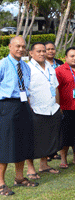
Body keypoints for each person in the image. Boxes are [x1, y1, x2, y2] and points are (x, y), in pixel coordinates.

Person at [0, 36, 38, 196]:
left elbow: (26, 88)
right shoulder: (2, 64)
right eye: (17, 46)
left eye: (23, 46)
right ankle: (1, 183)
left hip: (23, 106)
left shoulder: (26, 66)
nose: (21, 49)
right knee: (6, 144)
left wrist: (28, 107)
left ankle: (19, 177)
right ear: (10, 46)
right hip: (7, 106)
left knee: (23, 142)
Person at [25, 42, 63, 180]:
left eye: (43, 51)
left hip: (52, 109)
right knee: (32, 141)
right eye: (39, 51)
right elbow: (25, 91)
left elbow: (56, 87)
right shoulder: (27, 68)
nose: (42, 53)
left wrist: (58, 106)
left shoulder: (50, 67)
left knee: (47, 139)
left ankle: (44, 165)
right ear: (31, 53)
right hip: (35, 110)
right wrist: (28, 109)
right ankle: (30, 169)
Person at [55, 46, 75, 168]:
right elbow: (56, 89)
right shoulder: (60, 70)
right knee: (65, 135)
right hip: (66, 107)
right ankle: (63, 159)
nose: (74, 58)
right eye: (71, 56)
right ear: (66, 57)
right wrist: (58, 106)